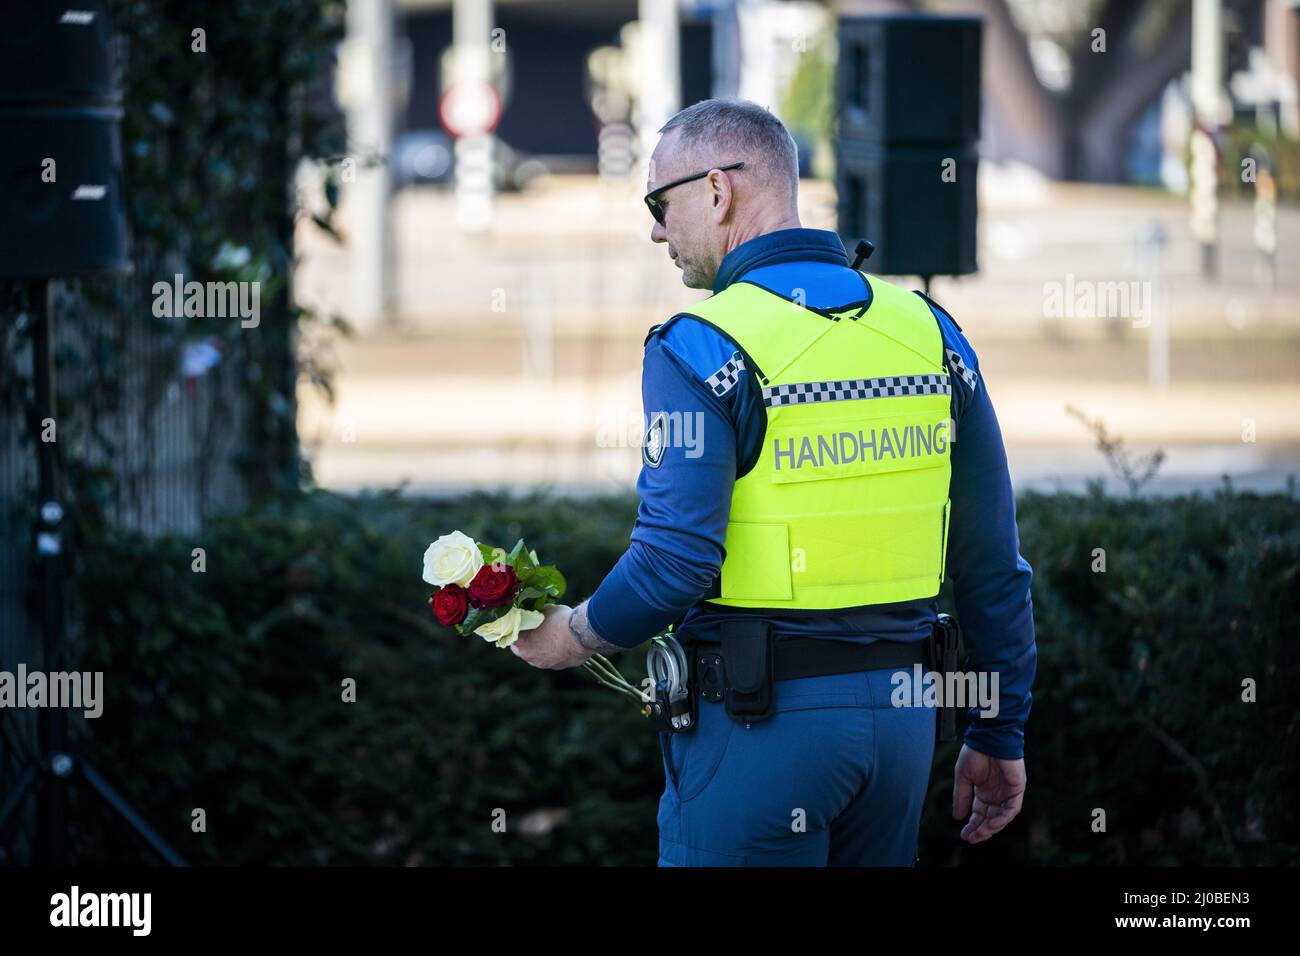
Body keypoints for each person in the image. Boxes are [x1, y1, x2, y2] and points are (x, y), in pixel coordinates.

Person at [511, 98, 1036, 866]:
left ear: (717, 191)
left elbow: (674, 561)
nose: (657, 229)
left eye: (660, 203)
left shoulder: (702, 346)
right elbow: (992, 561)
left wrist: (574, 635)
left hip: (760, 729)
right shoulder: (932, 331)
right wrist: (998, 728)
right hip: (902, 730)